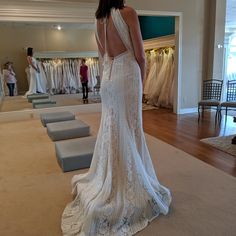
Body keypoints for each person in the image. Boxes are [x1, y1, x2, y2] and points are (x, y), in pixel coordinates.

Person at [61, 1, 171, 235]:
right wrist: (141, 84)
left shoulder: (98, 19)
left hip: (109, 79)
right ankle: (126, 183)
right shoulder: (128, 13)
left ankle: (111, 177)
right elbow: (140, 55)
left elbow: (102, 56)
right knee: (130, 130)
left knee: (112, 129)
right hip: (127, 76)